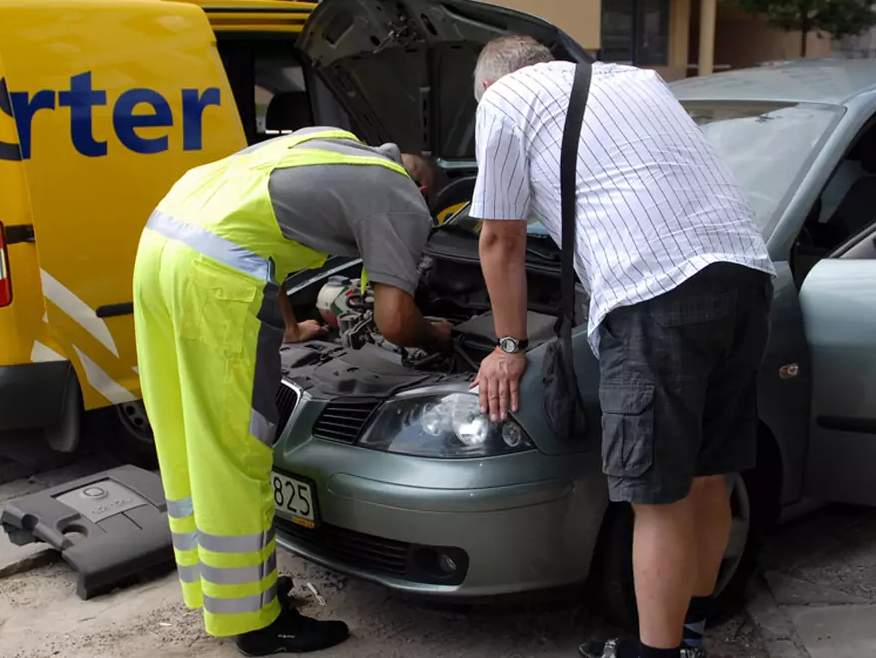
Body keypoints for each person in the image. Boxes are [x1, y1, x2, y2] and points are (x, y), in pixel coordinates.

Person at [467, 36, 775, 658]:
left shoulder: (504, 100)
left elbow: (500, 240)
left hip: (654, 293)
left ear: (489, 85)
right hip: (745, 274)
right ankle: (688, 639)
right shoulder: (637, 80)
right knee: (708, 477)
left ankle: (653, 655)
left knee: (654, 496)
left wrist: (507, 344)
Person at [132, 126, 452, 657]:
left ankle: (223, 591)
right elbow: (395, 321)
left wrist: (293, 328)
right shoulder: (399, 197)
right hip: (214, 276)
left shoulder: (328, 144)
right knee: (235, 446)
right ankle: (260, 625)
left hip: (160, 245)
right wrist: (437, 337)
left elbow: (261, 238)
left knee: (183, 428)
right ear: (422, 193)